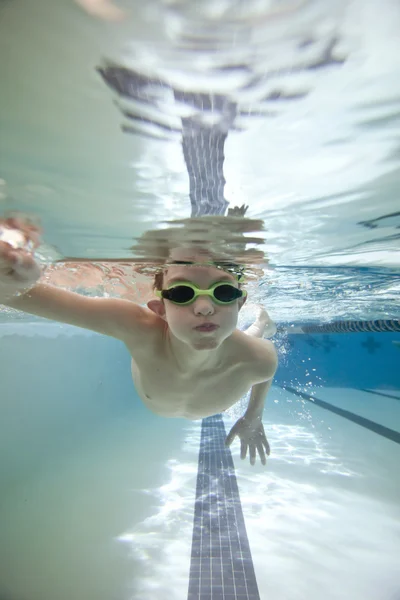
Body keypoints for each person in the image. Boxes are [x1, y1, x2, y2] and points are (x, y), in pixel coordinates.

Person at [0, 225, 277, 466]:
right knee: (247, 339)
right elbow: (18, 296)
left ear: (240, 302)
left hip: (233, 355)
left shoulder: (259, 358)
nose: (204, 307)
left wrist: (253, 417)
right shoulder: (139, 327)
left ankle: (260, 322)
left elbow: (266, 370)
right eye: (182, 293)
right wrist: (12, 278)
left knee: (253, 337)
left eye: (224, 292)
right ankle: (258, 322)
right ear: (160, 309)